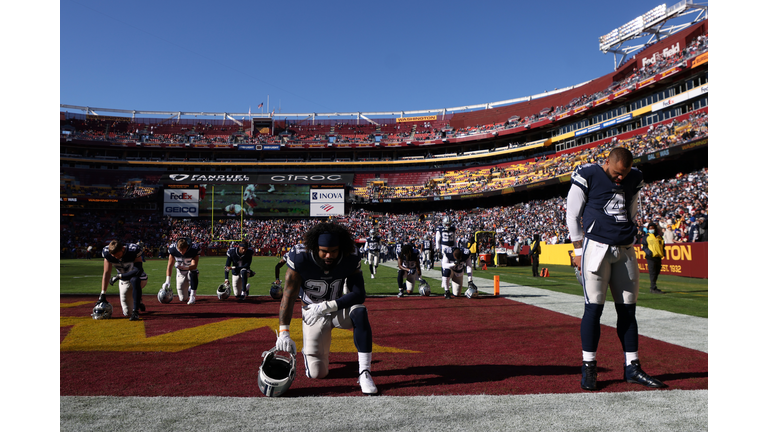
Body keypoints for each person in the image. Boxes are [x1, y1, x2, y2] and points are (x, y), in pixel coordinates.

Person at [566, 146, 667, 391]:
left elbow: (631, 210)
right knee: (594, 309)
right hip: (596, 247)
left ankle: (632, 366)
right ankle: (589, 366)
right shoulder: (588, 173)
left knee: (628, 311)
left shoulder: (635, 177)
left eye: (625, 173)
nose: (620, 178)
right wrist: (578, 251)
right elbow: (572, 214)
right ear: (607, 162)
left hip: (624, 248)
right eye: (616, 172)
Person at [275, 222, 378, 395]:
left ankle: (365, 372)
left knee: (360, 311)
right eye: (324, 251)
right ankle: (312, 350)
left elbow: (359, 294)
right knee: (317, 374)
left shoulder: (349, 255)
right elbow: (289, 295)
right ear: (315, 248)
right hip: (313, 313)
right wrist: (284, 331)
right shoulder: (301, 257)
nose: (329, 255)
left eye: (334, 251)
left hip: (336, 308)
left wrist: (327, 306)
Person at [99, 240, 147, 321]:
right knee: (127, 312)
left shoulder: (133, 250)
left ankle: (136, 311)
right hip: (123, 280)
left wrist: (120, 276)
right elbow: (106, 273)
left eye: (118, 255)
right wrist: (103, 293)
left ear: (123, 249)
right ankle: (137, 300)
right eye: (113, 255)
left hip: (138, 277)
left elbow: (138, 270)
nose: (116, 257)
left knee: (135, 280)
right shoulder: (107, 253)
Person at [163, 238, 202, 304]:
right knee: (183, 298)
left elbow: (194, 265)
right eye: (179, 250)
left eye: (183, 250)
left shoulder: (193, 249)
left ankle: (192, 296)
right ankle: (189, 291)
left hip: (190, 269)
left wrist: (185, 267)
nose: (181, 252)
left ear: (187, 247)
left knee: (194, 272)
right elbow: (170, 265)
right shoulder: (173, 249)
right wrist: (167, 280)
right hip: (180, 273)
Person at [641, 222, 665, 294]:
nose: (651, 229)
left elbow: (663, 245)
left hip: (658, 256)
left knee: (657, 272)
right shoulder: (646, 237)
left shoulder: (659, 237)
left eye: (652, 228)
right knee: (652, 272)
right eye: (650, 228)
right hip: (650, 257)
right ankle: (653, 287)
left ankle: (653, 286)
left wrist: (663, 252)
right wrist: (649, 253)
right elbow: (643, 246)